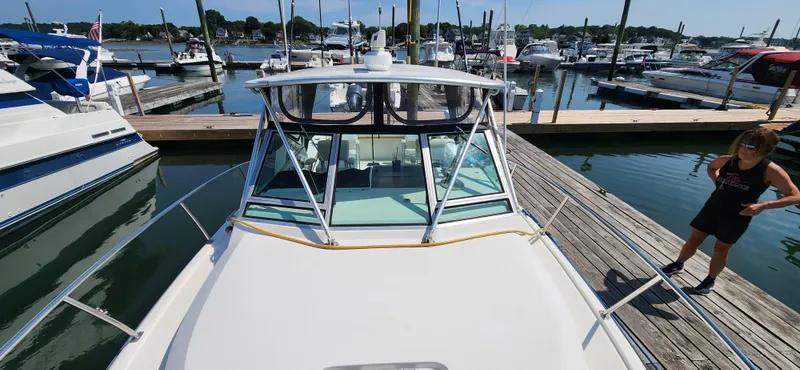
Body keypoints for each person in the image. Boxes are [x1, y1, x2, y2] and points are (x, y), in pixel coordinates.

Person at [661, 128, 800, 294]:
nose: (743, 150)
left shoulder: (771, 171)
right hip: (712, 207)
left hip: (737, 216)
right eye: (742, 145)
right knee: (693, 240)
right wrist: (717, 183)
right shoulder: (728, 161)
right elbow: (711, 167)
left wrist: (763, 205)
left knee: (721, 249)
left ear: (764, 150)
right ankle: (678, 264)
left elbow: (795, 196)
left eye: (750, 148)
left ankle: (710, 279)